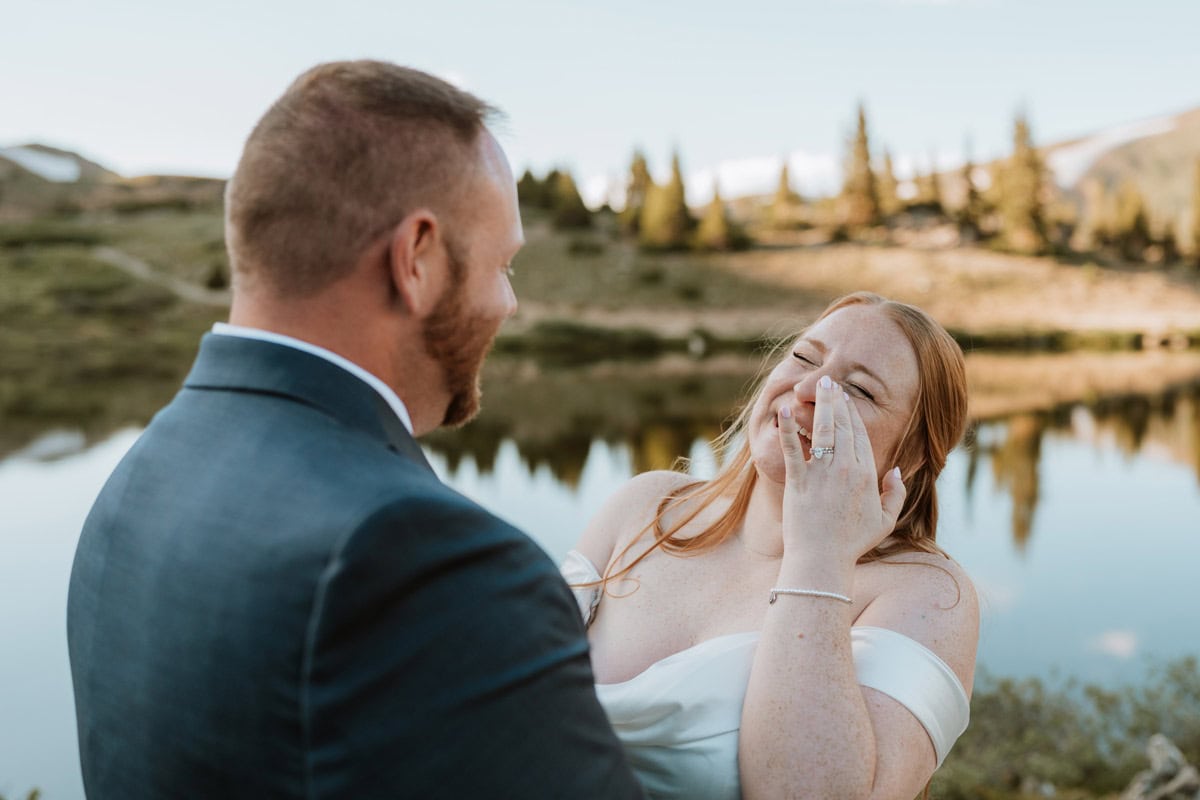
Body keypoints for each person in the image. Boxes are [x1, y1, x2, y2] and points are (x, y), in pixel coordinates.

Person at [67, 61, 643, 799]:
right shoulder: (424, 560)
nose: (509, 303)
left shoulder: (144, 469)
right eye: (503, 264)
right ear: (416, 258)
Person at [562, 291, 980, 800]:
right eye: (803, 357)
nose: (806, 389)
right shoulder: (647, 507)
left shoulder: (930, 595)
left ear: (911, 457)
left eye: (859, 390)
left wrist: (820, 555)